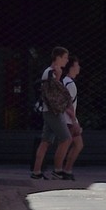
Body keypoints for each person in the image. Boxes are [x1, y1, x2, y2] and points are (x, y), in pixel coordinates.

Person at [30, 46, 70, 179]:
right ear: (58, 58)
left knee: (45, 141)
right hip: (53, 111)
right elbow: (54, 93)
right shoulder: (51, 72)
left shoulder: (49, 72)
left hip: (49, 111)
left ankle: (37, 172)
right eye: (65, 57)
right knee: (66, 139)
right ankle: (58, 170)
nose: (66, 60)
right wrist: (58, 77)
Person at [56, 58, 84, 182]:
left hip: (65, 119)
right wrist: (75, 122)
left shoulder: (65, 82)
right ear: (72, 67)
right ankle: (64, 170)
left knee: (71, 145)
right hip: (69, 121)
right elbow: (68, 105)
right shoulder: (70, 84)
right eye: (77, 65)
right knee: (76, 145)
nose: (79, 68)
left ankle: (63, 170)